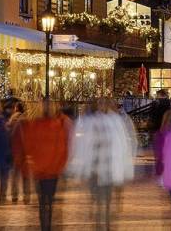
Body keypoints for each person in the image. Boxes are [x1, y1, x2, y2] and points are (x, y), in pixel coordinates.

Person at [68, 98, 137, 230]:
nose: (101, 106)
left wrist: (123, 165)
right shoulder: (92, 121)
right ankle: (99, 222)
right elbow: (83, 144)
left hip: (109, 167)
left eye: (103, 104)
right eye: (99, 104)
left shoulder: (114, 121)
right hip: (95, 168)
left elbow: (121, 144)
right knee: (98, 197)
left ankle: (106, 222)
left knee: (107, 198)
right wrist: (81, 167)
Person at [21, 102, 71, 231]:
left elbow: (28, 147)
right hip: (52, 171)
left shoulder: (34, 125)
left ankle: (44, 226)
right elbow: (62, 148)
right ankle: (47, 224)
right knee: (49, 201)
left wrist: (33, 163)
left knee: (42, 201)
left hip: (40, 170)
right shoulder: (56, 125)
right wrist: (59, 165)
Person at [6, 101, 30, 204]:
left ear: (16, 108)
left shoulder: (12, 120)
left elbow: (8, 134)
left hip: (15, 150)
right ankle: (26, 196)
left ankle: (14, 195)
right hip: (25, 150)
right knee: (25, 175)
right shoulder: (27, 120)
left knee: (15, 174)